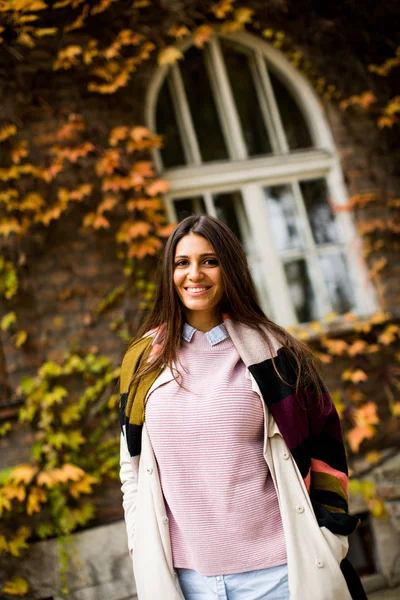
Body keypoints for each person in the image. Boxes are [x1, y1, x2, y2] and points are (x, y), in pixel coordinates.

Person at [119, 215, 366, 600]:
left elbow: (325, 451)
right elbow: (131, 467)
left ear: (230, 268)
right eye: (182, 262)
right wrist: (139, 541)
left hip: (279, 576)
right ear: (169, 273)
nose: (194, 274)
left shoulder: (275, 352)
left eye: (210, 261)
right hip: (186, 581)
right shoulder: (142, 360)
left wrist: (328, 535)